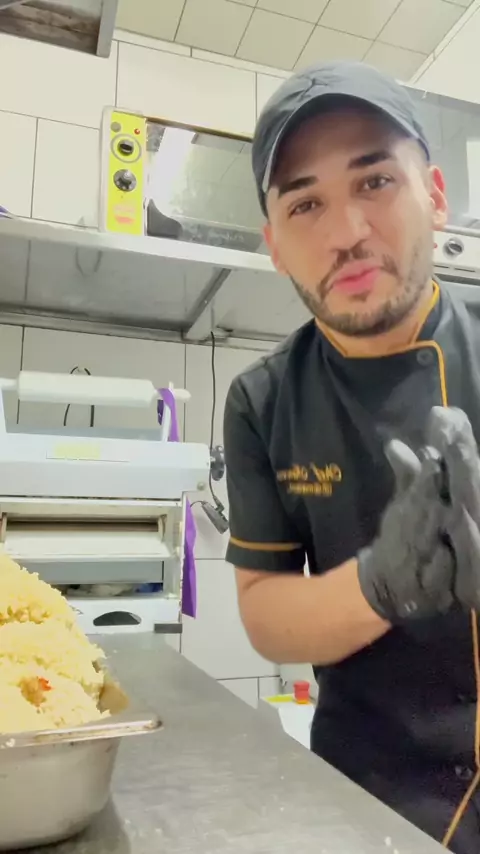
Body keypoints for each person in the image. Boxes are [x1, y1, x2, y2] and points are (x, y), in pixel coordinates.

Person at [223, 60, 480, 853]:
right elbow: (266, 613)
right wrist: (378, 584)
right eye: (306, 203)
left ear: (435, 194)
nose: (346, 232)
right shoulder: (262, 402)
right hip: (366, 797)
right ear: (274, 245)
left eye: (374, 182)